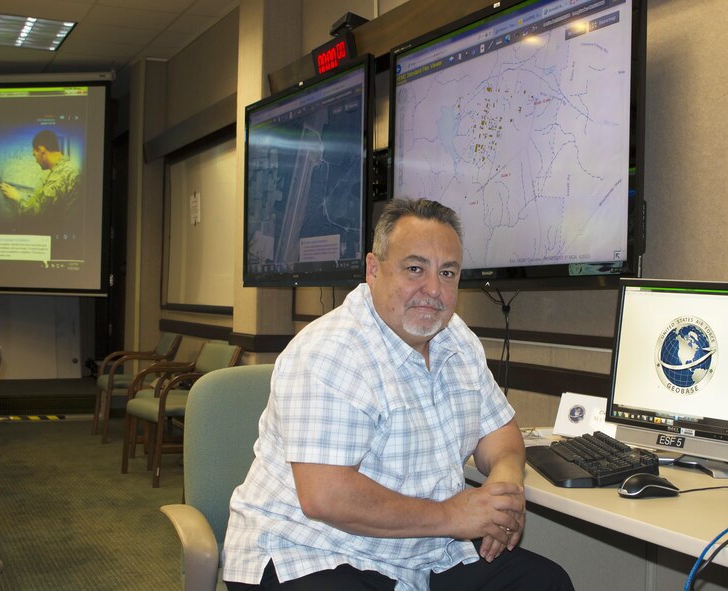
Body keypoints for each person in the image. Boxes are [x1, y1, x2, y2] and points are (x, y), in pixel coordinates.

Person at [223, 198, 574, 591]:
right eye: (414, 269)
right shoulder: (330, 350)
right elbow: (325, 496)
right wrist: (453, 516)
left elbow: (500, 430)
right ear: (374, 270)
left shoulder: (456, 339)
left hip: (422, 551)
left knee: (545, 582)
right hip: (311, 551)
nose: (433, 290)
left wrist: (504, 488)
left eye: (447, 273)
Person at [0, 129, 80, 217]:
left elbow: (37, 213)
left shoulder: (60, 176)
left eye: (35, 155)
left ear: (41, 150)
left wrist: (17, 198)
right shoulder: (66, 167)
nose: (36, 160)